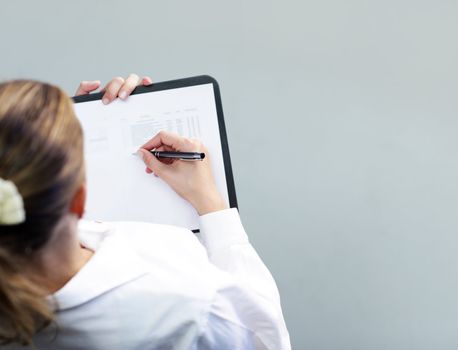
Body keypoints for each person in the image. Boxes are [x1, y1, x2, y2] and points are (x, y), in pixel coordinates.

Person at [0, 75, 291, 349]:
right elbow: (264, 336)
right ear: (78, 200)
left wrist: (53, 146)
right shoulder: (188, 302)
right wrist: (211, 204)